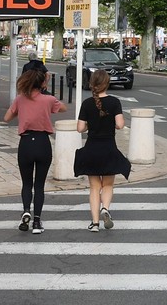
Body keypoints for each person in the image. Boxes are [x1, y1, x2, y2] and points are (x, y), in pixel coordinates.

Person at [3, 62, 66, 234]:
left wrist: (19, 110)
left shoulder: (20, 99)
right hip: (43, 142)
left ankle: (25, 211)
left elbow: (6, 118)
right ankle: (37, 222)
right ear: (42, 83)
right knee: (39, 185)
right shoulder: (49, 100)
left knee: (26, 183)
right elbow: (63, 108)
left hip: (26, 143)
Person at [73, 69, 130, 231]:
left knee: (94, 187)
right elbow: (120, 125)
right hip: (108, 148)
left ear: (92, 84)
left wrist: (91, 123)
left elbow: (80, 128)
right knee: (108, 185)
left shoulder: (87, 104)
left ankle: (95, 223)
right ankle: (105, 208)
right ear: (107, 83)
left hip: (92, 148)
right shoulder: (114, 102)